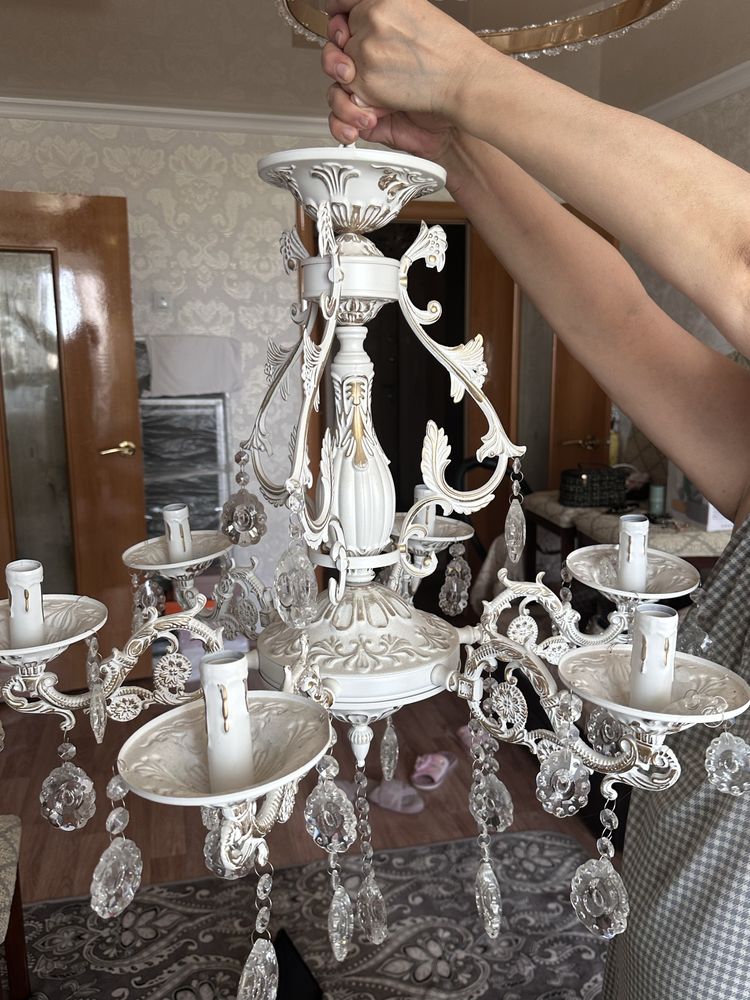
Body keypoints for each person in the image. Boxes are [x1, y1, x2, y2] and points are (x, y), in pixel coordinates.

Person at [320, 3, 750, 999]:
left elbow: (738, 255)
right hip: (655, 946)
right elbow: (618, 320)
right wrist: (452, 146)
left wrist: (467, 76)